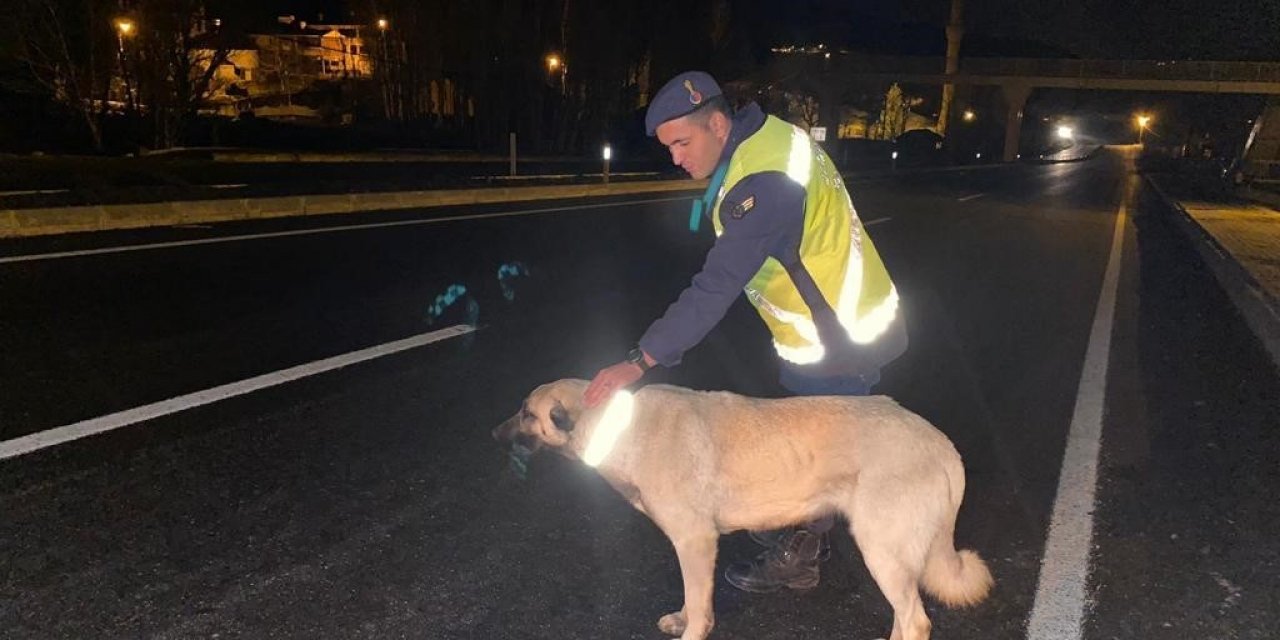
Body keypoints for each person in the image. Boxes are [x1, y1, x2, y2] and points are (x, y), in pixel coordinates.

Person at [582, 71, 908, 594]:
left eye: (682, 143)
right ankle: (804, 527)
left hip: (839, 336)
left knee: (819, 458)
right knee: (808, 442)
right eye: (668, 148)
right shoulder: (767, 139)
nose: (676, 158)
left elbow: (715, 287)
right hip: (829, 323)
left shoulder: (763, 184)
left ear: (716, 122)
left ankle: (804, 554)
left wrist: (639, 360)